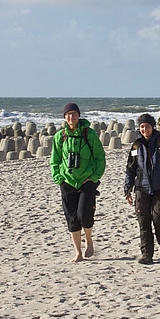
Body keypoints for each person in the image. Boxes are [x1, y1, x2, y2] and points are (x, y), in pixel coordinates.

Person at [50, 103, 106, 262]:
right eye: (68, 115)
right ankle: (78, 252)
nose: (71, 117)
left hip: (87, 180)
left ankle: (89, 241)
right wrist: (58, 178)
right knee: (72, 218)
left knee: (84, 215)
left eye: (74, 114)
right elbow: (54, 160)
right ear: (64, 117)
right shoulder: (60, 136)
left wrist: (94, 177)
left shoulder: (90, 134)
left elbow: (100, 157)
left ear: (79, 116)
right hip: (67, 181)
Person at [125, 114, 160, 264]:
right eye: (142, 127)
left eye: (147, 126)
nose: (145, 129)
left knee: (158, 219)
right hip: (141, 189)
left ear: (153, 127)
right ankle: (147, 254)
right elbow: (130, 168)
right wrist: (127, 189)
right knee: (143, 222)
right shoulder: (136, 145)